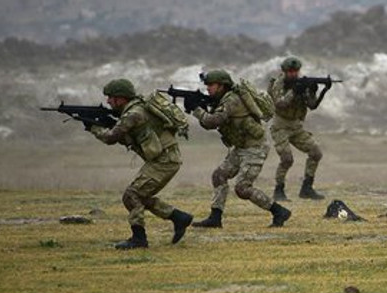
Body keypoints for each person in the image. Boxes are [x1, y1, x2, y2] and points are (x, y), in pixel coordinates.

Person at [89, 78, 193, 250]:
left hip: (164, 161)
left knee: (131, 196)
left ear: (121, 98)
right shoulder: (136, 108)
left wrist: (93, 127)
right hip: (165, 159)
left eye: (111, 97)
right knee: (140, 196)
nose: (108, 101)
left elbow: (110, 138)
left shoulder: (133, 114)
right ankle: (179, 218)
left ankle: (139, 239)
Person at [189, 69, 291, 228]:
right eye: (207, 85)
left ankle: (279, 211)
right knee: (219, 176)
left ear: (222, 85)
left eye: (211, 85)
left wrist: (196, 109)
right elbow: (210, 123)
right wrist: (201, 108)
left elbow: (213, 121)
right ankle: (215, 218)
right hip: (241, 147)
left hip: (255, 148)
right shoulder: (223, 99)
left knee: (242, 188)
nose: (208, 88)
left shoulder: (232, 100)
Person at [268, 56, 330, 201]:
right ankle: (279, 190)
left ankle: (307, 188)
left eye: (295, 71)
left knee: (315, 153)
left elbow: (312, 105)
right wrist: (294, 91)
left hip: (296, 126)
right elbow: (280, 104)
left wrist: (317, 91)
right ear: (284, 71)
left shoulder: (301, 84)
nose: (293, 74)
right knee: (287, 159)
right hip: (280, 126)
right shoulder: (278, 84)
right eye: (290, 71)